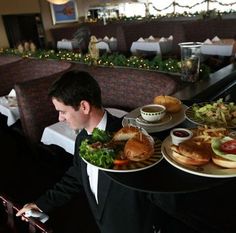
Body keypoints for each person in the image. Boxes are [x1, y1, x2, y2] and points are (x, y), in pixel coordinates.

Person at [16, 70, 160, 233]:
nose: (60, 118)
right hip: (104, 224)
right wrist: (41, 204)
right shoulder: (82, 139)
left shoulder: (130, 143)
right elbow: (76, 176)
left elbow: (153, 194)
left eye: (63, 111)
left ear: (84, 107)